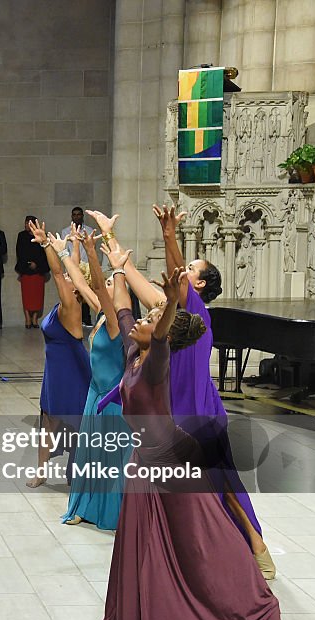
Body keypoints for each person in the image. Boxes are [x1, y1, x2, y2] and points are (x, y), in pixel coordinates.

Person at [98, 255, 283, 620]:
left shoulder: (156, 362)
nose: (141, 323)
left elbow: (162, 331)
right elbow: (122, 306)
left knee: (205, 536)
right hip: (144, 461)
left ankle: (257, 606)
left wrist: (166, 301)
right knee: (139, 536)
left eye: (150, 322)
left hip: (175, 460)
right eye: (146, 320)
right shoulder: (134, 352)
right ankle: (131, 615)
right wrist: (116, 265)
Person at [91, 207, 272, 579]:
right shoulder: (168, 314)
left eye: (191, 269)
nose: (182, 272)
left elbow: (177, 285)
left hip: (200, 414)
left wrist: (171, 236)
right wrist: (110, 238)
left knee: (219, 483)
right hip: (175, 413)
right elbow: (129, 276)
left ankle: (256, 547)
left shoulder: (197, 314)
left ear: (200, 285)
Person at [56, 228, 133, 529]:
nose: (106, 286)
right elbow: (80, 282)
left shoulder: (117, 323)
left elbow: (99, 285)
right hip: (94, 393)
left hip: (112, 399)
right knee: (87, 456)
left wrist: (92, 251)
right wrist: (63, 251)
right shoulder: (102, 313)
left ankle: (109, 512)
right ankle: (83, 507)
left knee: (109, 461)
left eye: (113, 283)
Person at [25, 221, 91, 488]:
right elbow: (70, 269)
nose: (65, 277)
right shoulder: (64, 301)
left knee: (74, 421)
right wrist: (74, 243)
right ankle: (41, 470)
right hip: (54, 370)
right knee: (47, 420)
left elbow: (56, 271)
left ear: (76, 287)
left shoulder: (71, 307)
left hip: (71, 370)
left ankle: (77, 470)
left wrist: (45, 244)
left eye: (70, 278)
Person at [15, 215, 49, 328]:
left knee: (37, 296)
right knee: (27, 295)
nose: (26, 225)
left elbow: (44, 254)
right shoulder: (21, 236)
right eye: (25, 223)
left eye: (28, 223)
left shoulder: (41, 236)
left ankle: (35, 318)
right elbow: (20, 253)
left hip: (39, 271)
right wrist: (29, 264)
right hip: (25, 270)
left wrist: (37, 265)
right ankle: (27, 319)